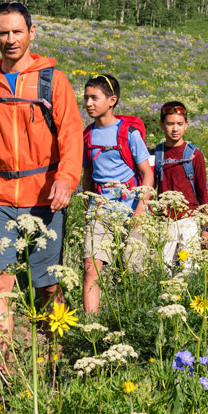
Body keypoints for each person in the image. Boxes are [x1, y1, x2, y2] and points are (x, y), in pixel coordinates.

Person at [0, 2, 83, 370]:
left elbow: (72, 135)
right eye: (3, 32)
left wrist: (66, 179)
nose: (10, 39)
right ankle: (3, 373)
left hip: (45, 199)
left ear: (32, 33)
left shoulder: (53, 81)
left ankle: (56, 357)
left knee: (46, 287)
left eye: (17, 32)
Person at [81, 73, 153, 316]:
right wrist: (88, 203)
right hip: (100, 210)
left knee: (135, 272)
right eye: (86, 98)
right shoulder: (87, 135)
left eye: (94, 98)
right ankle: (89, 327)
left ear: (112, 100)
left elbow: (147, 174)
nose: (88, 103)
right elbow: (88, 173)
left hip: (131, 209)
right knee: (91, 267)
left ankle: (136, 319)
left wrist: (141, 208)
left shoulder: (129, 133)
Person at [152, 101, 208, 271]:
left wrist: (206, 228)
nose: (175, 129)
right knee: (164, 268)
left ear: (186, 125)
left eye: (179, 124)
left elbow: (202, 193)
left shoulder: (194, 155)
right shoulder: (156, 154)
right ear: (162, 125)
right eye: (170, 124)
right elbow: (149, 187)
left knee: (189, 268)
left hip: (188, 219)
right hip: (164, 220)